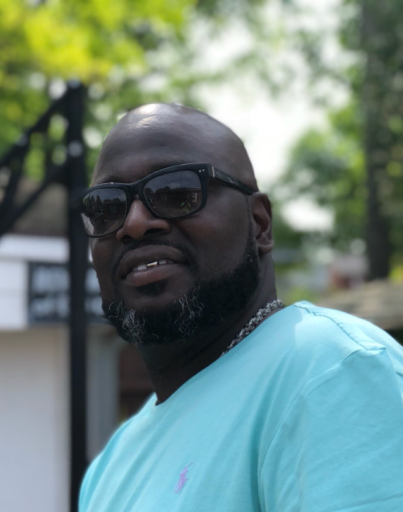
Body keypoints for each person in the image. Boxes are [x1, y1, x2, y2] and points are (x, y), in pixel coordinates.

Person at [78, 103, 403, 512]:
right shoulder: (110, 467)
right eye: (106, 206)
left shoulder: (330, 371)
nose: (134, 223)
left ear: (259, 224)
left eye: (176, 191)